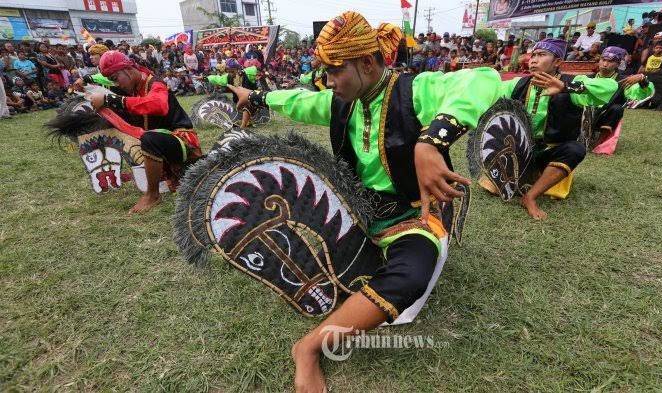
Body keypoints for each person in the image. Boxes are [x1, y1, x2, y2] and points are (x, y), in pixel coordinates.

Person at [229, 11, 502, 392]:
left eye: (335, 71)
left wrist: (432, 141)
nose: (328, 82)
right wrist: (256, 95)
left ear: (368, 64)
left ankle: (308, 348)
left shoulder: (414, 91)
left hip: (411, 215)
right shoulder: (342, 101)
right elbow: (296, 100)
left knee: (411, 277)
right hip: (356, 212)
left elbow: (483, 78)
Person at [497, 39, 618, 219]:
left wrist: (566, 88)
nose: (534, 60)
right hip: (518, 150)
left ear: (557, 62)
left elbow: (610, 86)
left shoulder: (571, 83)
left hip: (548, 152)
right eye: (533, 55)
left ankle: (530, 197)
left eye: (541, 55)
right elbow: (491, 91)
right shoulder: (518, 83)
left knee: (575, 149)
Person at [87, 51, 201, 213]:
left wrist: (109, 100)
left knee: (149, 138)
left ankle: (152, 195)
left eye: (115, 78)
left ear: (127, 69)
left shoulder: (155, 83)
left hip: (183, 141)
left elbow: (159, 105)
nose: (116, 84)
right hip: (164, 143)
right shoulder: (134, 90)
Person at [591, 46, 654, 139]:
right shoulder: (589, 77)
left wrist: (642, 79)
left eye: (610, 61)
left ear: (618, 64)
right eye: (603, 60)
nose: (605, 64)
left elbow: (641, 93)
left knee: (617, 108)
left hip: (603, 116)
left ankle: (602, 138)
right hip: (582, 114)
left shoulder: (624, 80)